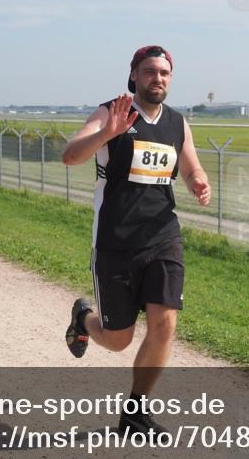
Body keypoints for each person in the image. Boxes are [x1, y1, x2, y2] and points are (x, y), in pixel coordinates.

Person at [62, 45, 211, 437]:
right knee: (118, 341)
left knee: (164, 324)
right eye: (149, 71)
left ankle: (134, 413)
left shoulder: (178, 123)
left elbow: (190, 162)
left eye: (163, 73)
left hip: (163, 236)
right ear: (134, 75)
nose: (157, 78)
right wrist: (106, 134)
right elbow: (70, 156)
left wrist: (197, 180)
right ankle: (83, 319)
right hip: (116, 242)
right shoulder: (112, 111)